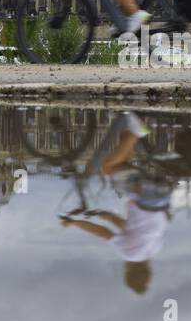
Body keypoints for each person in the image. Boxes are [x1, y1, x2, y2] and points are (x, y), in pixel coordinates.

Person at [60, 113, 172, 294]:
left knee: (122, 162)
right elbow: (104, 233)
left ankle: (131, 122)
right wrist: (74, 223)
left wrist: (108, 216)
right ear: (128, 270)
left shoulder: (153, 250)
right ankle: (136, 130)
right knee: (108, 168)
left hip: (161, 197)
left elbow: (130, 228)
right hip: (143, 196)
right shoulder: (130, 254)